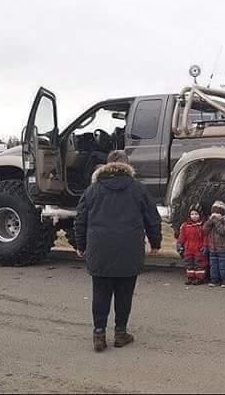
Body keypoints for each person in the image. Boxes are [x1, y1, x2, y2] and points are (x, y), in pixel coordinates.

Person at [74, 150, 162, 352]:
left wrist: (81, 245)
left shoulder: (93, 190)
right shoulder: (138, 189)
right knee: (124, 294)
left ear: (106, 165)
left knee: (100, 293)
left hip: (99, 250)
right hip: (129, 249)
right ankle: (121, 333)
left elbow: (80, 219)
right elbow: (152, 218)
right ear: (127, 165)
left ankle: (99, 334)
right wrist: (155, 243)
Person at [176, 203, 209, 285]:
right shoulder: (185, 225)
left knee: (199, 264)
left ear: (200, 215)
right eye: (192, 214)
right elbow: (182, 236)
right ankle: (190, 277)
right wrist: (179, 243)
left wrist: (205, 245)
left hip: (199, 248)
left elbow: (205, 236)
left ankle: (199, 278)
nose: (194, 216)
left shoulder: (202, 226)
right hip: (188, 248)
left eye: (196, 214)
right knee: (189, 263)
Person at [203, 200, 225, 288]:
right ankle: (214, 280)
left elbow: (224, 231)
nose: (215, 214)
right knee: (213, 266)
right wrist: (210, 221)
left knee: (223, 266)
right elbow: (204, 230)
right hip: (212, 247)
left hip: (223, 248)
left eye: (217, 212)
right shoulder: (211, 221)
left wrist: (217, 221)